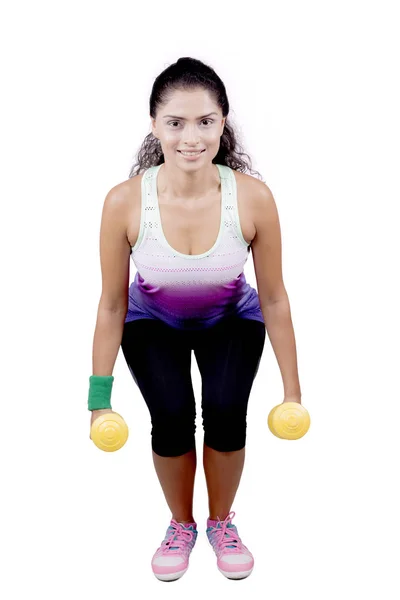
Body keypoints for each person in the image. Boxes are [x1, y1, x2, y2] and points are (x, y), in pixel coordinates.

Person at [88, 57, 302, 582]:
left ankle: (221, 522)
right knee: (173, 417)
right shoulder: (123, 202)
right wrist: (98, 401)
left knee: (227, 412)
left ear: (223, 122)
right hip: (151, 321)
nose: (191, 137)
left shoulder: (253, 197)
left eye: (206, 121)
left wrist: (292, 394)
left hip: (231, 317)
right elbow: (112, 304)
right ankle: (181, 524)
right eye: (176, 122)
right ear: (154, 124)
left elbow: (274, 298)